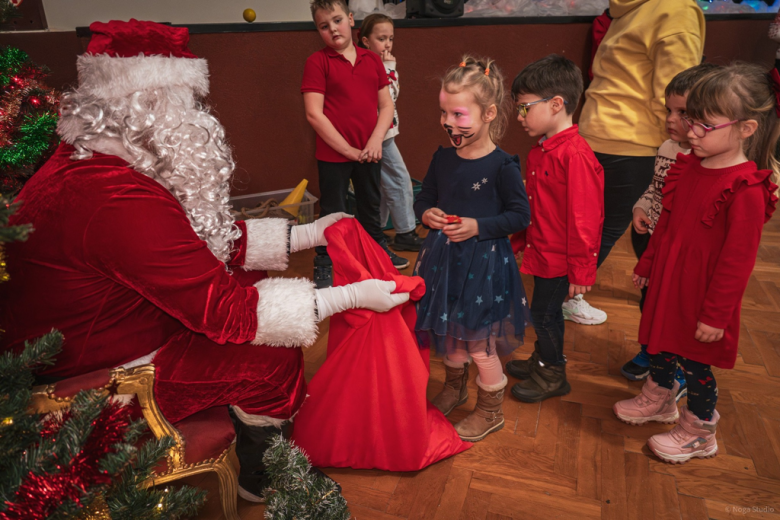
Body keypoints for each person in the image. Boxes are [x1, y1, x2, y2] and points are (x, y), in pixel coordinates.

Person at [0, 19, 410, 503]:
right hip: (94, 382)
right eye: (185, 103)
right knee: (270, 354)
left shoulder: (101, 160)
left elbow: (195, 240)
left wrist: (309, 233)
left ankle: (244, 425)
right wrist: (351, 296)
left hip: (96, 332)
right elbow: (229, 315)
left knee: (246, 277)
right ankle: (262, 475)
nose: (197, 118)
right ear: (148, 106)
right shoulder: (116, 198)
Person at [613, 63, 778, 464]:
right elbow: (665, 225)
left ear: (746, 129)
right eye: (691, 121)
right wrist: (647, 264)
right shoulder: (688, 166)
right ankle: (659, 400)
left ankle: (698, 431)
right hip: (670, 280)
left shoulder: (746, 189)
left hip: (703, 296)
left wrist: (716, 316)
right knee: (661, 344)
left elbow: (736, 263)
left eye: (704, 125)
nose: (691, 132)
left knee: (696, 364)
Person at [414, 56, 530, 443]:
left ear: (489, 113)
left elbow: (519, 216)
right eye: (444, 112)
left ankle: (489, 410)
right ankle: (455, 386)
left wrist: (479, 226)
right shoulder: (443, 157)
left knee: (478, 343)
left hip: (483, 268)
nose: (449, 122)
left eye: (459, 114)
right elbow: (425, 195)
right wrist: (426, 211)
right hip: (443, 262)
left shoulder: (502, 167)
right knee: (449, 332)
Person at [574, 0, 705, 325]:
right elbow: (678, 90)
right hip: (638, 141)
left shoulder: (630, 7)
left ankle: (563, 298)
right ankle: (560, 300)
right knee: (631, 229)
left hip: (597, 130)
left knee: (598, 227)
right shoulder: (676, 10)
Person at [507, 55, 605, 403]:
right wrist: (520, 240)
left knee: (545, 315)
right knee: (543, 312)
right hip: (544, 251)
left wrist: (581, 269)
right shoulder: (544, 150)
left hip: (561, 259)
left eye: (524, 108)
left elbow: (584, 220)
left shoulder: (573, 156)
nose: (519, 117)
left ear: (556, 104)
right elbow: (538, 206)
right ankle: (543, 358)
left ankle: (552, 373)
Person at [621, 63, 719, 393]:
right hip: (652, 241)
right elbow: (655, 188)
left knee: (676, 311)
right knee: (650, 302)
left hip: (681, 252)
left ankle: (675, 368)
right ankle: (653, 352)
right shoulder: (666, 149)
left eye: (683, 113)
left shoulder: (707, 161)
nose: (671, 119)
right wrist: (640, 207)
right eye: (669, 110)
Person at [302, 0, 408, 288]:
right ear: (318, 30)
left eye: (337, 20)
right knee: (332, 211)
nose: (332, 29)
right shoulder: (317, 62)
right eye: (324, 26)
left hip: (370, 151)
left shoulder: (372, 59)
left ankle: (376, 251)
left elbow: (386, 106)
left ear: (350, 20)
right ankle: (324, 260)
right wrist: (348, 151)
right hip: (334, 154)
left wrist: (374, 142)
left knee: (370, 205)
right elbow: (314, 113)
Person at [358, 13, 424, 252]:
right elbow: (390, 96)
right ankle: (405, 232)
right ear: (366, 41)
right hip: (379, 137)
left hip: (384, 134)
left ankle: (376, 232)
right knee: (399, 180)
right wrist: (390, 67)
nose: (387, 44)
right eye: (381, 38)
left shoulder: (377, 63)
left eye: (391, 38)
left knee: (385, 184)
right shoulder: (370, 63)